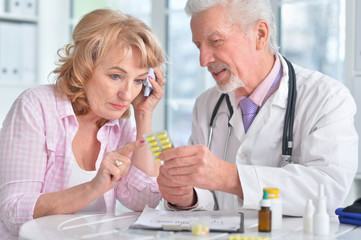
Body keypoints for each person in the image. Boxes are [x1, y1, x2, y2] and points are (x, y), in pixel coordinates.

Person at [157, 0, 358, 216]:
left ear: (260, 35)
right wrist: (188, 196)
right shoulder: (206, 104)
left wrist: (229, 177)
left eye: (215, 41)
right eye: (198, 46)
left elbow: (326, 191)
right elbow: (208, 197)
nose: (203, 60)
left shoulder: (327, 98)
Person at [0, 9, 166, 239]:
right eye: (116, 76)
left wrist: (144, 114)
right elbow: (13, 210)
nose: (128, 94)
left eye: (138, 81)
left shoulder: (120, 121)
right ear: (84, 67)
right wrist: (93, 187)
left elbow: (145, 199)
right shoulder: (35, 107)